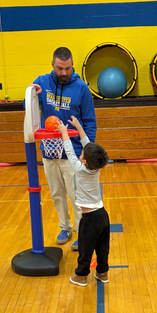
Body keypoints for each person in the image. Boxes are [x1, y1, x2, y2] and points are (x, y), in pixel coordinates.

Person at [31, 47, 97, 251]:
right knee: (57, 193)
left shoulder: (81, 88)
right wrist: (32, 96)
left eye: (68, 68)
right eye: (60, 68)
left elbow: (90, 122)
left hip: (73, 153)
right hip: (50, 151)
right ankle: (65, 227)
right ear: (52, 64)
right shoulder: (42, 82)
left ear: (72, 66)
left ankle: (80, 232)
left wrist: (87, 151)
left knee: (76, 196)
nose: (64, 73)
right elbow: (29, 106)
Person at [56, 115, 110, 287]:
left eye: (82, 154)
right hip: (103, 215)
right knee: (102, 249)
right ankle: (103, 273)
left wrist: (64, 132)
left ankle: (81, 276)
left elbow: (70, 151)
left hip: (89, 219)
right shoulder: (96, 168)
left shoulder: (79, 169)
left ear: (84, 161)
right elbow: (87, 145)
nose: (81, 153)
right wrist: (79, 127)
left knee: (85, 251)